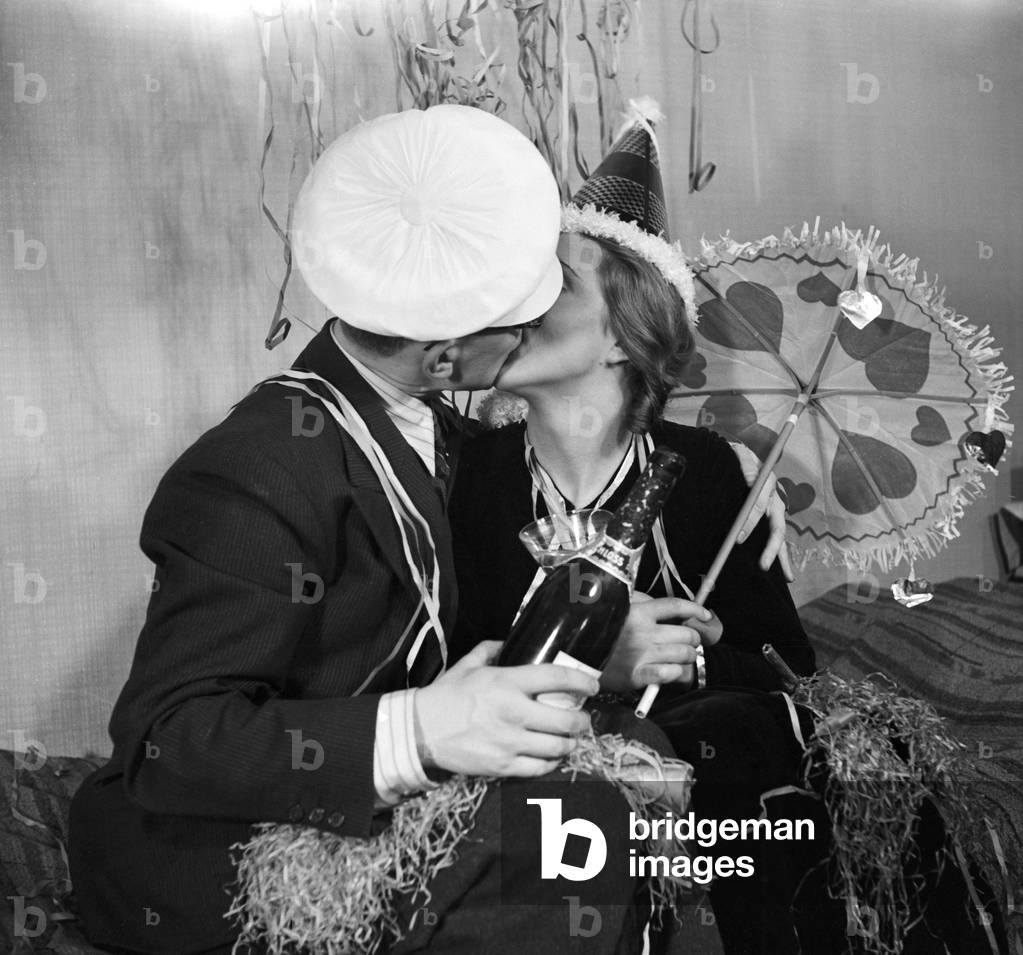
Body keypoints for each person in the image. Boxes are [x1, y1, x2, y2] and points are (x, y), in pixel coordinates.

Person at [68, 105, 663, 955]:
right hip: (222, 840)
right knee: (568, 821)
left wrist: (590, 640)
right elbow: (170, 741)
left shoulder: (434, 428)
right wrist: (419, 730)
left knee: (637, 754)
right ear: (444, 358)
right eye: (520, 324)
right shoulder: (257, 465)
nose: (534, 333)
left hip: (374, 813)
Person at [448, 103, 1003, 954]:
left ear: (623, 334)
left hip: (706, 804)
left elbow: (789, 668)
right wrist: (595, 656)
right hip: (517, 792)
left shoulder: (705, 470)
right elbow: (438, 656)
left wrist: (691, 657)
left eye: (552, 282)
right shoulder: (467, 472)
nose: (517, 301)